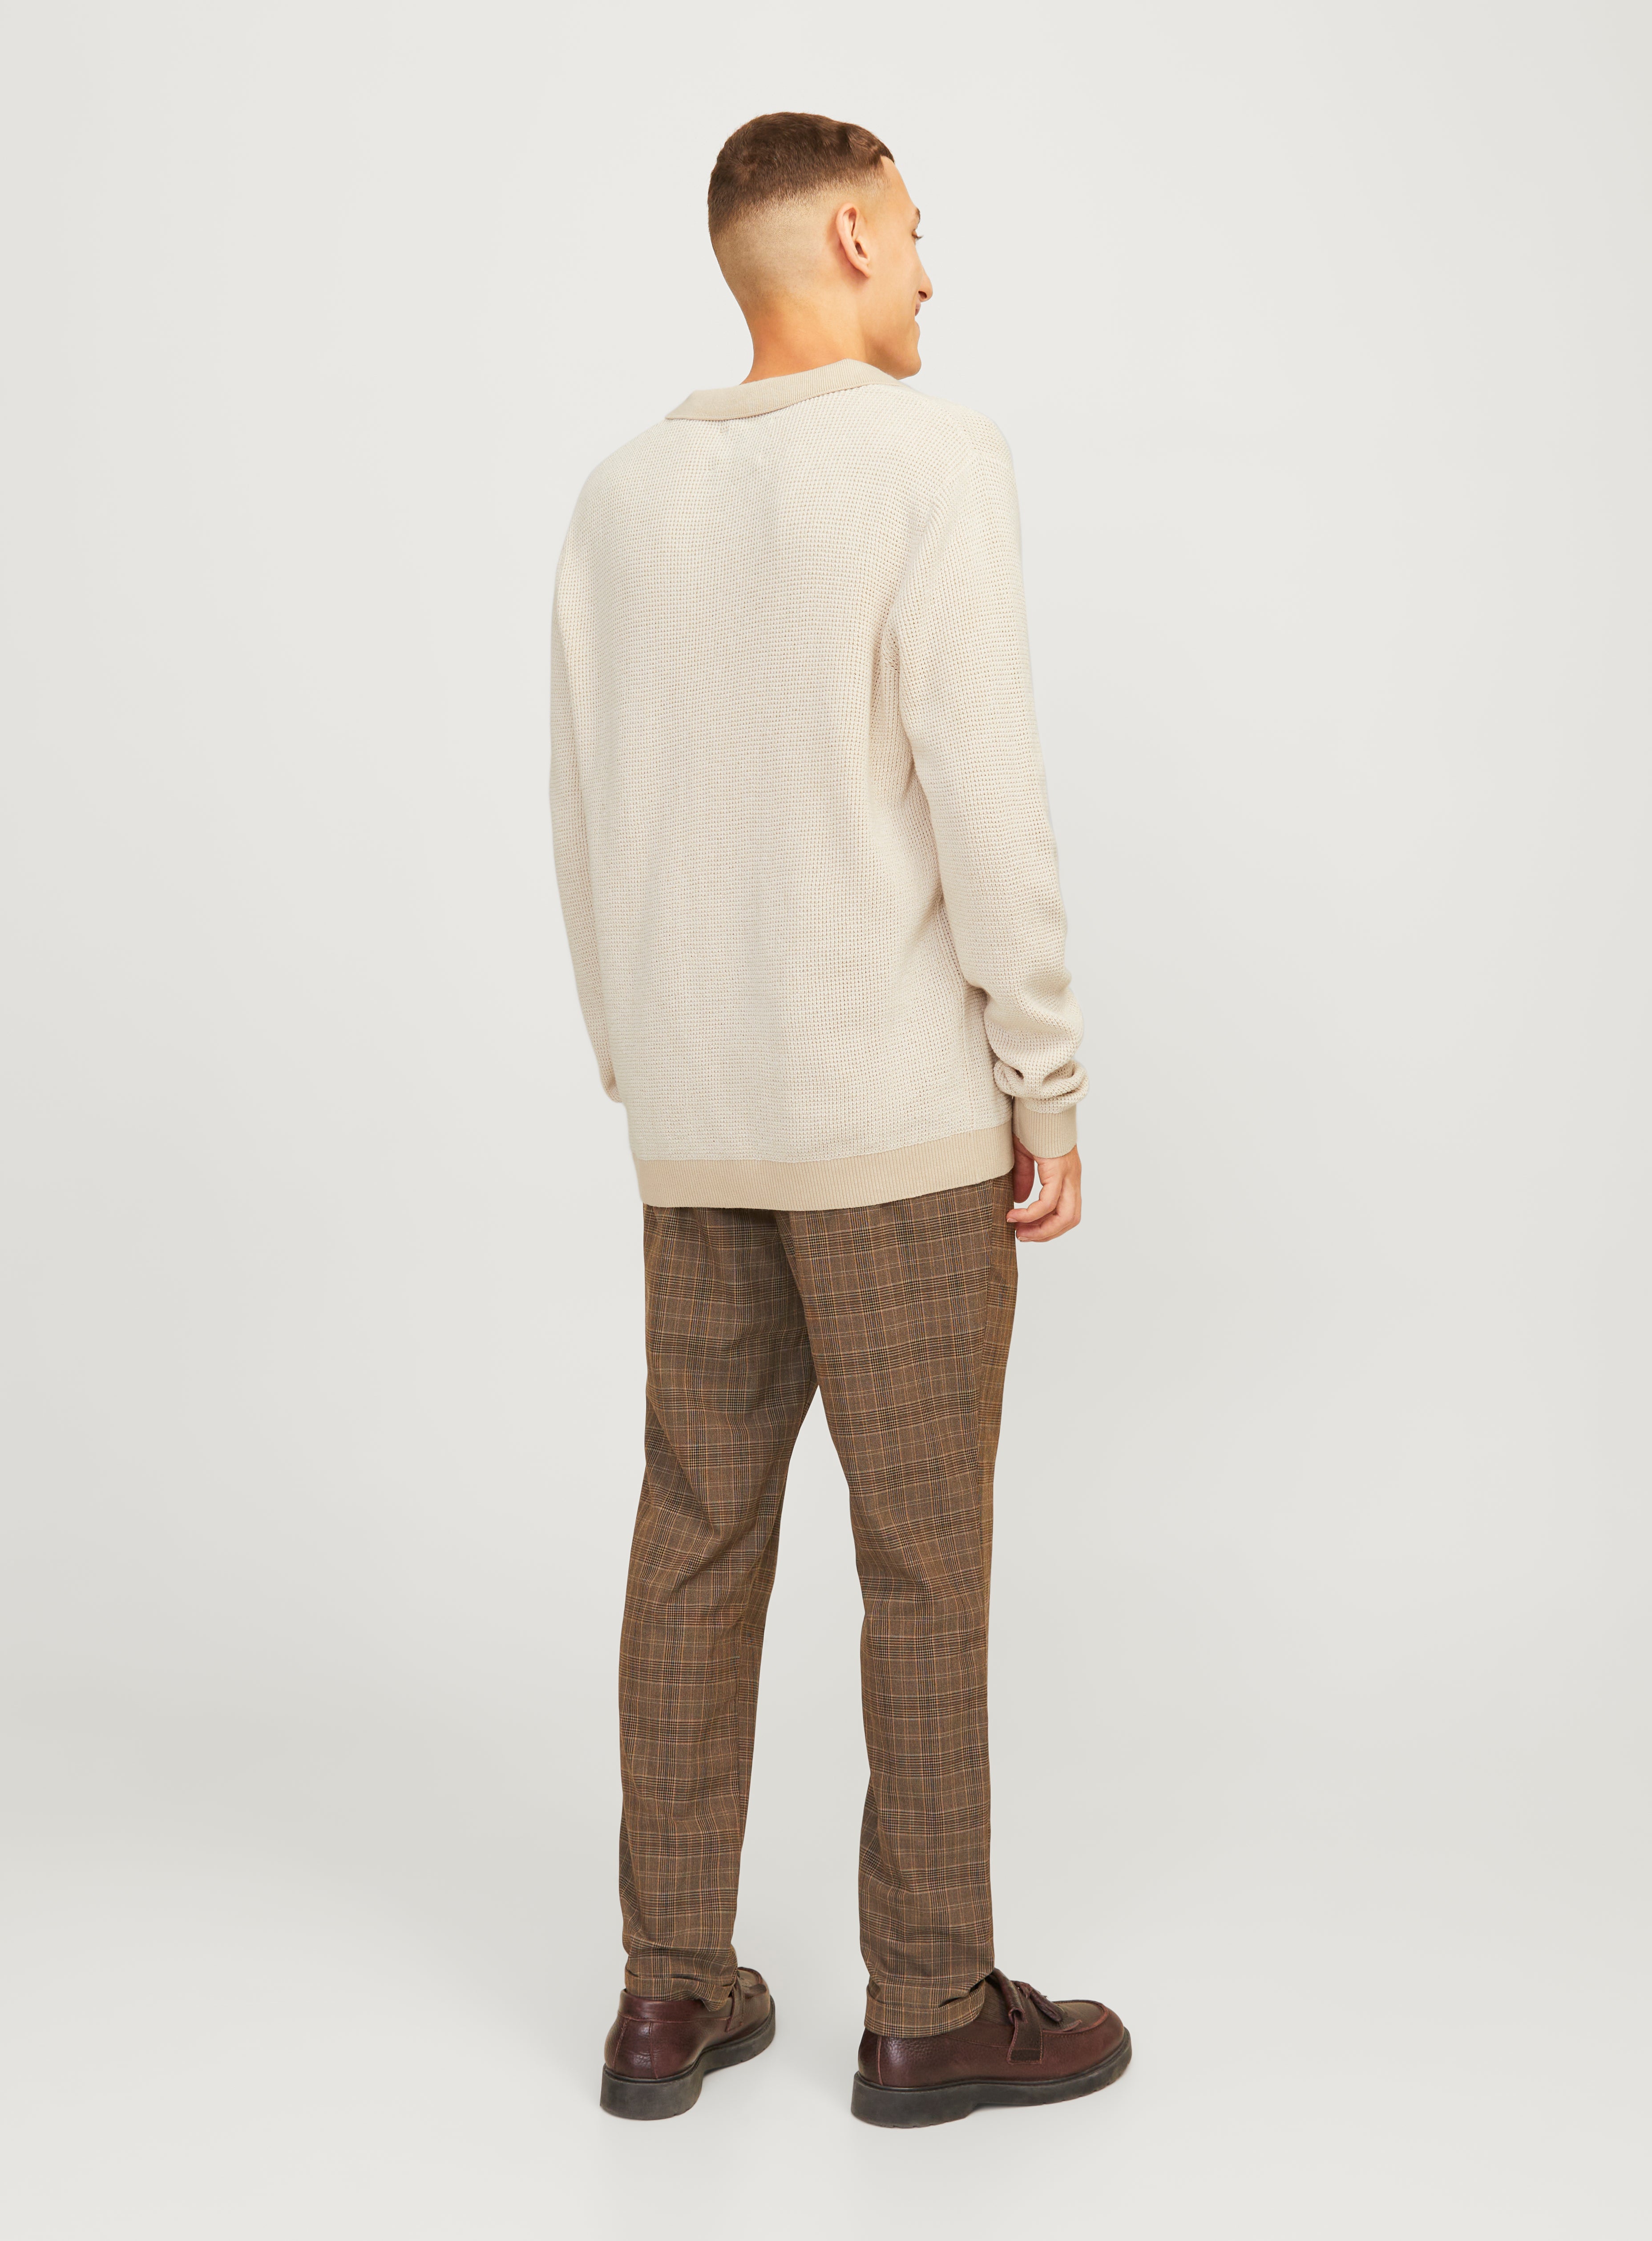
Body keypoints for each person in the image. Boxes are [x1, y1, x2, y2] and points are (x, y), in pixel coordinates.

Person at [549, 111, 1129, 2128]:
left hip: (701, 1125)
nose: (937, 273)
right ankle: (930, 2005)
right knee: (924, 1560)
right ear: (859, 235)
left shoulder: (620, 496)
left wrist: (649, 1066)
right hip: (890, 1127)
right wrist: (1043, 1078)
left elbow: (579, 811)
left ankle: (667, 1992)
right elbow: (990, 794)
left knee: (692, 1542)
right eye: (921, 232)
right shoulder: (930, 455)